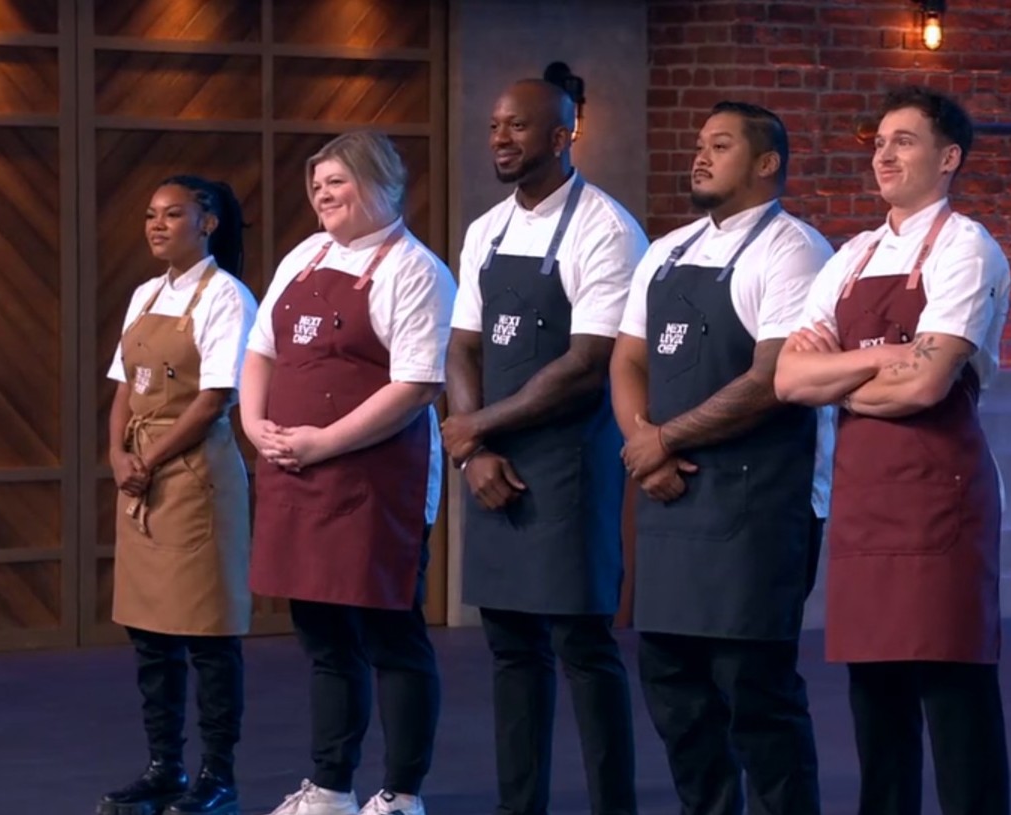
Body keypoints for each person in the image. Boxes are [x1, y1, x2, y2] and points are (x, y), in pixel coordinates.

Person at [774, 86, 1011, 815]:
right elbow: (787, 378)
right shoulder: (852, 255)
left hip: (940, 501)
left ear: (949, 158)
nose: (883, 154)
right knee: (874, 705)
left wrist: (840, 378)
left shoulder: (967, 248)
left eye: (903, 141)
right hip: (863, 502)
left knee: (955, 699)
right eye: (878, 142)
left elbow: (926, 385)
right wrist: (884, 359)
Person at [609, 100, 833, 815]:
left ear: (766, 163)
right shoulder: (665, 252)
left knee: (755, 694)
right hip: (667, 499)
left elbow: (771, 378)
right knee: (672, 688)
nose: (700, 155)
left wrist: (665, 439)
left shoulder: (794, 250)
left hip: (757, 504)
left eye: (721, 145)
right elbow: (627, 360)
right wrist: (643, 445)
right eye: (700, 143)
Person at [441, 78, 643, 815]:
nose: (500, 138)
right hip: (492, 461)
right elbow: (460, 348)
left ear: (561, 137)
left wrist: (479, 428)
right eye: (495, 126)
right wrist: (473, 451)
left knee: (583, 650)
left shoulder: (606, 229)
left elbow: (588, 362)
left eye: (517, 127)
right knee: (510, 649)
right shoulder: (486, 230)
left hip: (568, 464)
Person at [240, 130, 456, 815]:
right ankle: (331, 786)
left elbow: (417, 386)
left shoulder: (416, 271)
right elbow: (260, 352)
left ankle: (402, 793)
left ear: (383, 184)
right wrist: (253, 423)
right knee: (324, 638)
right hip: (297, 474)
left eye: (337, 181)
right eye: (317, 184)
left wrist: (323, 442)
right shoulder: (303, 257)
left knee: (390, 637)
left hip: (374, 483)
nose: (323, 195)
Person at [99, 176, 257, 815]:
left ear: (208, 223)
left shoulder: (227, 297)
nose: (156, 226)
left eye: (172, 214)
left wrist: (150, 459)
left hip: (195, 477)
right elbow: (123, 389)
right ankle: (164, 766)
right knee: (150, 636)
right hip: (140, 474)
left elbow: (215, 399)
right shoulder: (144, 295)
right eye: (150, 215)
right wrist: (117, 455)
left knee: (210, 637)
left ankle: (218, 776)